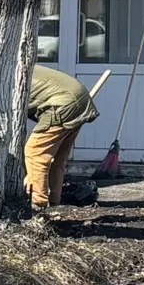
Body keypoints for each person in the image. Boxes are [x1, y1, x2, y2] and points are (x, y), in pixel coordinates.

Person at [24, 66, 100, 210]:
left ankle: (37, 204)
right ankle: (54, 202)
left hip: (62, 103)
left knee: (34, 152)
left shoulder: (1, 76)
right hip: (77, 98)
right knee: (56, 158)